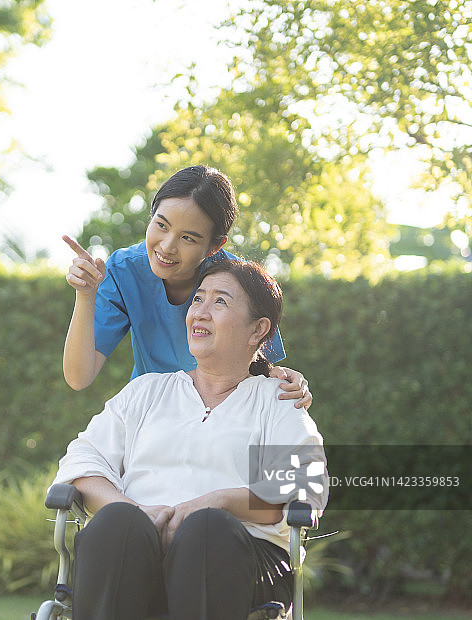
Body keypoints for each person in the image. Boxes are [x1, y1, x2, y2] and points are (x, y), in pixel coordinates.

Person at [52, 259, 328, 619]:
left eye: (220, 301)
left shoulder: (276, 401)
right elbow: (82, 463)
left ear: (258, 329)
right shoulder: (147, 392)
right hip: (134, 553)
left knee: (208, 529)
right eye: (198, 299)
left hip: (239, 558)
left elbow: (303, 484)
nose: (200, 312)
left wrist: (219, 502)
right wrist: (136, 513)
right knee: (117, 523)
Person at [62, 164, 312, 409]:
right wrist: (85, 295)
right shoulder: (123, 270)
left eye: (188, 238)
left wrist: (286, 381)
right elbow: (78, 377)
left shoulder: (241, 283)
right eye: (161, 225)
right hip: (152, 411)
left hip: (221, 414)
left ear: (215, 246)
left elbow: (260, 366)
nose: (167, 246)